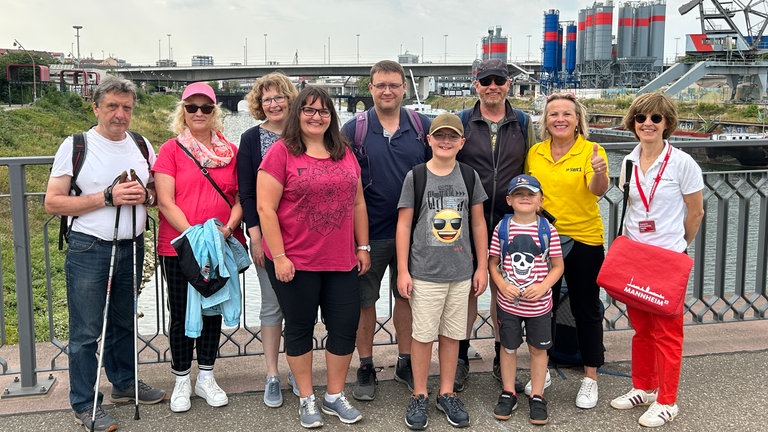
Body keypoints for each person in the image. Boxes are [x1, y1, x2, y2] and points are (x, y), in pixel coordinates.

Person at [45, 75, 165, 432]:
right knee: (86, 330)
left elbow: (156, 192)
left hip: (132, 244)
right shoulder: (77, 145)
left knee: (123, 321)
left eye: (126, 107)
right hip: (89, 248)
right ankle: (84, 403)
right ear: (96, 107)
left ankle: (124, 384)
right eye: (112, 106)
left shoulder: (141, 145)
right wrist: (106, 197)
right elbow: (53, 202)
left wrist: (147, 196)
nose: (119, 114)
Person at [257, 86, 370, 429]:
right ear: (297, 114)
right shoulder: (280, 153)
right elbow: (265, 208)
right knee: (300, 329)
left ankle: (334, 395)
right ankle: (307, 397)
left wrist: (363, 247)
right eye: (308, 110)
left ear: (331, 116)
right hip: (296, 261)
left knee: (344, 327)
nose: (316, 117)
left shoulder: (343, 152)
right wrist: (279, 256)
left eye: (323, 111)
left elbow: (358, 203)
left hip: (341, 260)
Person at [609, 93, 704, 428]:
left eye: (655, 118)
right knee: (642, 329)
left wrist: (677, 247)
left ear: (667, 123)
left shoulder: (683, 163)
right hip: (636, 256)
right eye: (641, 118)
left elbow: (696, 212)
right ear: (633, 123)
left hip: (666, 259)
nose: (647, 124)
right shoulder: (629, 162)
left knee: (667, 333)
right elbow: (633, 207)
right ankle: (644, 387)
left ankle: (667, 401)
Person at [340, 60, 431, 401]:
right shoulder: (354, 130)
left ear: (404, 88)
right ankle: (366, 365)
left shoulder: (422, 126)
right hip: (370, 234)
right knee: (364, 302)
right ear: (371, 88)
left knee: (406, 298)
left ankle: (405, 361)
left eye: (394, 85)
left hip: (415, 233)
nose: (387, 91)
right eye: (381, 85)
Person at [154, 82, 244, 413]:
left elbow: (241, 198)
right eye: (191, 107)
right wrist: (194, 235)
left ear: (214, 111)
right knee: (180, 313)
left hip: (219, 246)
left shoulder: (231, 152)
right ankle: (181, 379)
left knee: (212, 310)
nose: (199, 113)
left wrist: (228, 228)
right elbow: (165, 201)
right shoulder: (171, 150)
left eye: (206, 107)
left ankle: (206, 376)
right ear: (183, 111)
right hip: (180, 246)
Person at [395, 113, 488, 430]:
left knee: (452, 335)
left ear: (462, 142)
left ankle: (446, 392)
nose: (445, 142)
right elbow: (404, 225)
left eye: (452, 137)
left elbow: (478, 223)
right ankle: (420, 393)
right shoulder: (417, 176)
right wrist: (403, 270)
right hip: (425, 272)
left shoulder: (469, 176)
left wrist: (481, 266)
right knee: (422, 336)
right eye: (440, 136)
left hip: (460, 272)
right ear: (429, 140)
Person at [454, 58, 536, 393]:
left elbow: (531, 168)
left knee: (507, 292)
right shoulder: (463, 120)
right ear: (476, 85)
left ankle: (503, 358)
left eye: (498, 81)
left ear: (508, 85)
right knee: (466, 292)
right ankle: (460, 357)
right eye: (486, 81)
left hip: (509, 223)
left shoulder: (522, 122)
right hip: (467, 221)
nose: (492, 87)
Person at [525, 92, 610, 409]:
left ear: (577, 121)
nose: (560, 119)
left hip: (584, 239)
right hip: (545, 240)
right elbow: (530, 192)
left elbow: (597, 191)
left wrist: (599, 171)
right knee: (541, 307)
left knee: (586, 308)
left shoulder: (591, 151)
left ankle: (590, 377)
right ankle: (542, 369)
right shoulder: (535, 152)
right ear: (545, 121)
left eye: (566, 114)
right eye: (553, 114)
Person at [237, 72, 300, 408]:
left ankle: (299, 370)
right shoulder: (251, 139)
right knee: (272, 304)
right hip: (268, 234)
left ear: (290, 99)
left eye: (279, 97)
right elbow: (247, 192)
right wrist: (255, 235)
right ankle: (273, 374)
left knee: (302, 306)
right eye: (267, 100)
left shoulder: (305, 132)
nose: (273, 104)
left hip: (305, 236)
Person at [488, 175, 564, 426]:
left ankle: (538, 395)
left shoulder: (548, 230)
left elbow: (557, 266)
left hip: (539, 305)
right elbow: (493, 263)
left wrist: (543, 286)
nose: (525, 198)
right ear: (509, 200)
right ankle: (508, 391)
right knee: (508, 347)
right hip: (509, 304)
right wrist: (502, 285)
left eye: (530, 194)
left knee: (538, 349)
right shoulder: (502, 228)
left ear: (540, 200)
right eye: (519, 194)